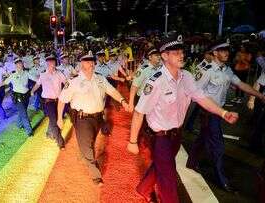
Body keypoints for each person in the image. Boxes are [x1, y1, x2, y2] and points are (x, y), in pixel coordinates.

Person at [127, 35, 239, 203]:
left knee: (162, 167)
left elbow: (201, 98)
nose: (181, 55)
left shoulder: (186, 76)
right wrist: (132, 141)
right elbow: (139, 112)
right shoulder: (156, 80)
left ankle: (143, 188)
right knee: (169, 179)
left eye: (182, 51)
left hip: (176, 135)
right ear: (164, 56)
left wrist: (223, 113)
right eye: (176, 52)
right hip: (159, 138)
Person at [186, 39, 265, 193]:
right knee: (218, 146)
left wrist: (260, 96)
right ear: (215, 53)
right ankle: (221, 180)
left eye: (227, 50)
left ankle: (191, 162)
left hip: (218, 112)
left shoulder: (226, 70)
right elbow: (195, 92)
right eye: (222, 50)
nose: (226, 53)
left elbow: (241, 84)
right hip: (208, 112)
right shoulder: (206, 70)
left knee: (203, 137)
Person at [57, 51, 130, 186]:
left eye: (92, 61)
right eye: (87, 61)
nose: (91, 63)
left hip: (98, 118)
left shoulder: (100, 78)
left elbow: (112, 91)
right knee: (87, 147)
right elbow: (62, 100)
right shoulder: (74, 81)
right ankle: (96, 175)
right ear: (81, 64)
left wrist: (123, 101)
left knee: (91, 143)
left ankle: (87, 154)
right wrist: (59, 119)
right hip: (82, 119)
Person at [31, 54, 66, 149]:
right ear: (46, 63)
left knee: (58, 118)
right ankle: (60, 142)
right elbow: (37, 84)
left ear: (55, 63)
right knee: (54, 121)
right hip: (48, 102)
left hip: (59, 101)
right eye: (49, 62)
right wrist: (32, 91)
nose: (51, 63)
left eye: (53, 61)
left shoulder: (60, 73)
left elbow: (66, 83)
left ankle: (49, 133)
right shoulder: (43, 75)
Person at [0, 58, 33, 136]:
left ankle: (18, 124)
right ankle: (29, 131)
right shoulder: (13, 75)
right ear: (15, 66)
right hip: (17, 96)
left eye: (20, 64)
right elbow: (5, 81)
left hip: (26, 95)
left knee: (23, 111)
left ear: (22, 65)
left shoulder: (26, 73)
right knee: (24, 114)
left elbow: (35, 79)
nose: (19, 65)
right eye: (17, 64)